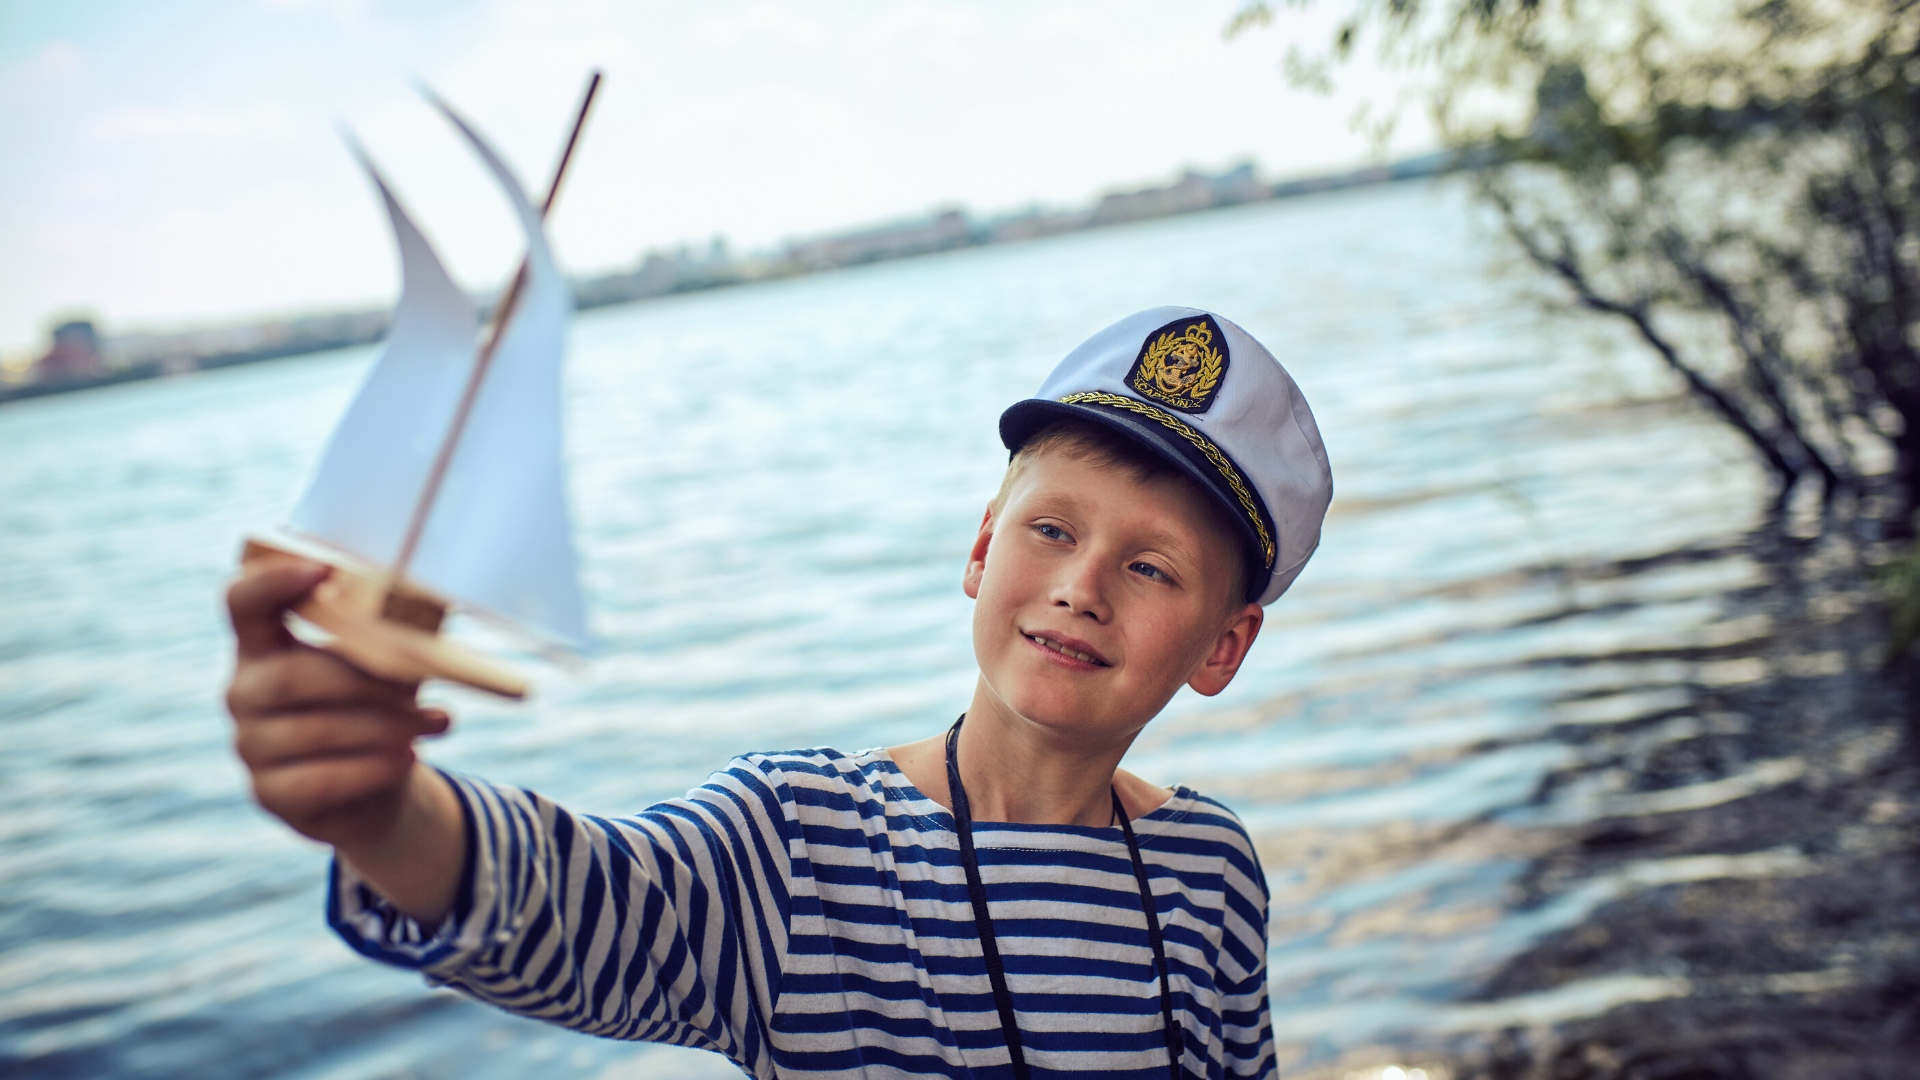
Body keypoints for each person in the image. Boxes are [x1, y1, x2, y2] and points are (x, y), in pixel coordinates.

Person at [226, 306, 1333, 1078]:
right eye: (1052, 530)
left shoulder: (1208, 868)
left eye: (1151, 569)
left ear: (1223, 648)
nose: (1081, 588)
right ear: (984, 551)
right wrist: (386, 812)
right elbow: (591, 909)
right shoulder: (804, 839)